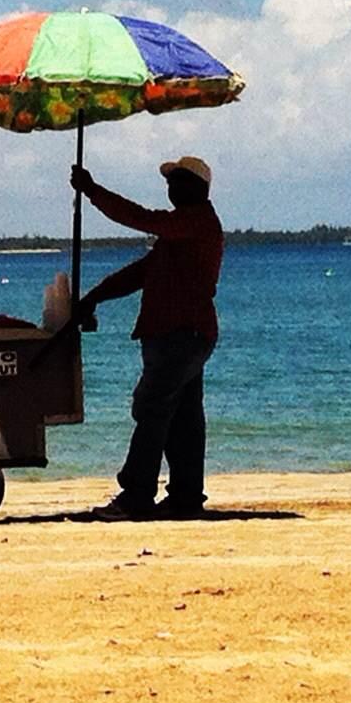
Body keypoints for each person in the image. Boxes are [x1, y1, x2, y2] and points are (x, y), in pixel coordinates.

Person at [64, 155, 223, 521]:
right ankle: (185, 495)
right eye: (170, 182)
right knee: (182, 417)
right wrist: (93, 297)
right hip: (184, 335)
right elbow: (140, 273)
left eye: (178, 180)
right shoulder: (179, 234)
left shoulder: (195, 222)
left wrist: (92, 191)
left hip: (181, 334)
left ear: (198, 188)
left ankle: (137, 494)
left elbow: (140, 218)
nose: (170, 187)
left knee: (151, 408)